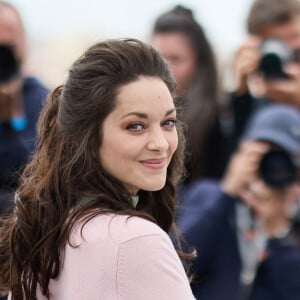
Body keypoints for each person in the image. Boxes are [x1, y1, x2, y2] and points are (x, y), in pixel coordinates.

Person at [0, 38, 195, 300]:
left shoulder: (45, 235)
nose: (160, 143)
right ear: (89, 138)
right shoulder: (137, 240)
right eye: (135, 126)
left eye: (168, 122)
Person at [176, 104, 300, 300]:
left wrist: (277, 231)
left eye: (283, 158)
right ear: (242, 151)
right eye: (264, 154)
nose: (274, 166)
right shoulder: (207, 196)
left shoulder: (293, 223)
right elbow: (177, 261)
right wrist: (227, 193)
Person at [151, 5, 231, 187]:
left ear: (199, 64)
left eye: (175, 60)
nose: (164, 69)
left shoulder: (219, 120)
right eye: (157, 58)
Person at [0, 1, 48, 215]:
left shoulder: (42, 101)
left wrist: (10, 120)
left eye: (10, 32)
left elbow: (37, 173)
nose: (4, 40)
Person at [230, 0, 300, 131]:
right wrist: (241, 91)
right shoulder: (252, 101)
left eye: (294, 36)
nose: (288, 50)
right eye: (277, 43)